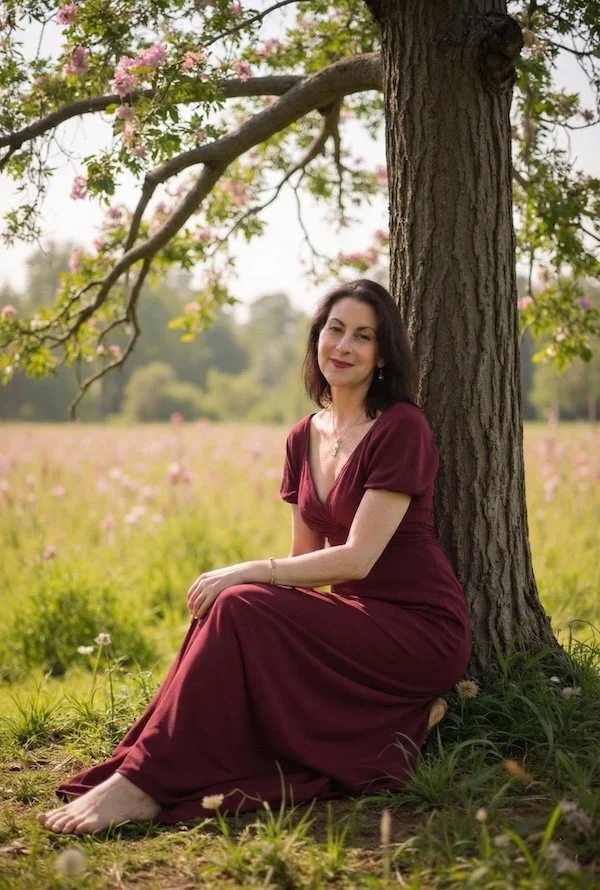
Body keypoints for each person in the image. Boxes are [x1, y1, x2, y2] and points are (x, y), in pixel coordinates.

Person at [38, 278, 472, 835]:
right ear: (317, 338)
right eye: (334, 330)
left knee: (242, 599)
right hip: (354, 623)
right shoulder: (302, 437)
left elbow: (357, 560)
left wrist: (245, 572)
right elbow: (303, 565)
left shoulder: (401, 428)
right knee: (230, 606)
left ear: (382, 354)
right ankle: (146, 768)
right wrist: (243, 589)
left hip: (418, 628)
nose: (344, 346)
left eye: (363, 337)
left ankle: (145, 784)